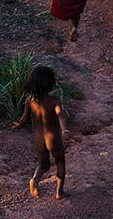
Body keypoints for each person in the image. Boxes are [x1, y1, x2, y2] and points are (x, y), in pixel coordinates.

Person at [12, 65, 69, 200]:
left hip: (38, 139)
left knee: (43, 165)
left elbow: (23, 120)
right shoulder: (54, 101)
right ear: (50, 83)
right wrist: (65, 130)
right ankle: (59, 192)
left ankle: (35, 180)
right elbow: (60, 115)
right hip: (52, 137)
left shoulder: (29, 101)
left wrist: (17, 126)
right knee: (60, 161)